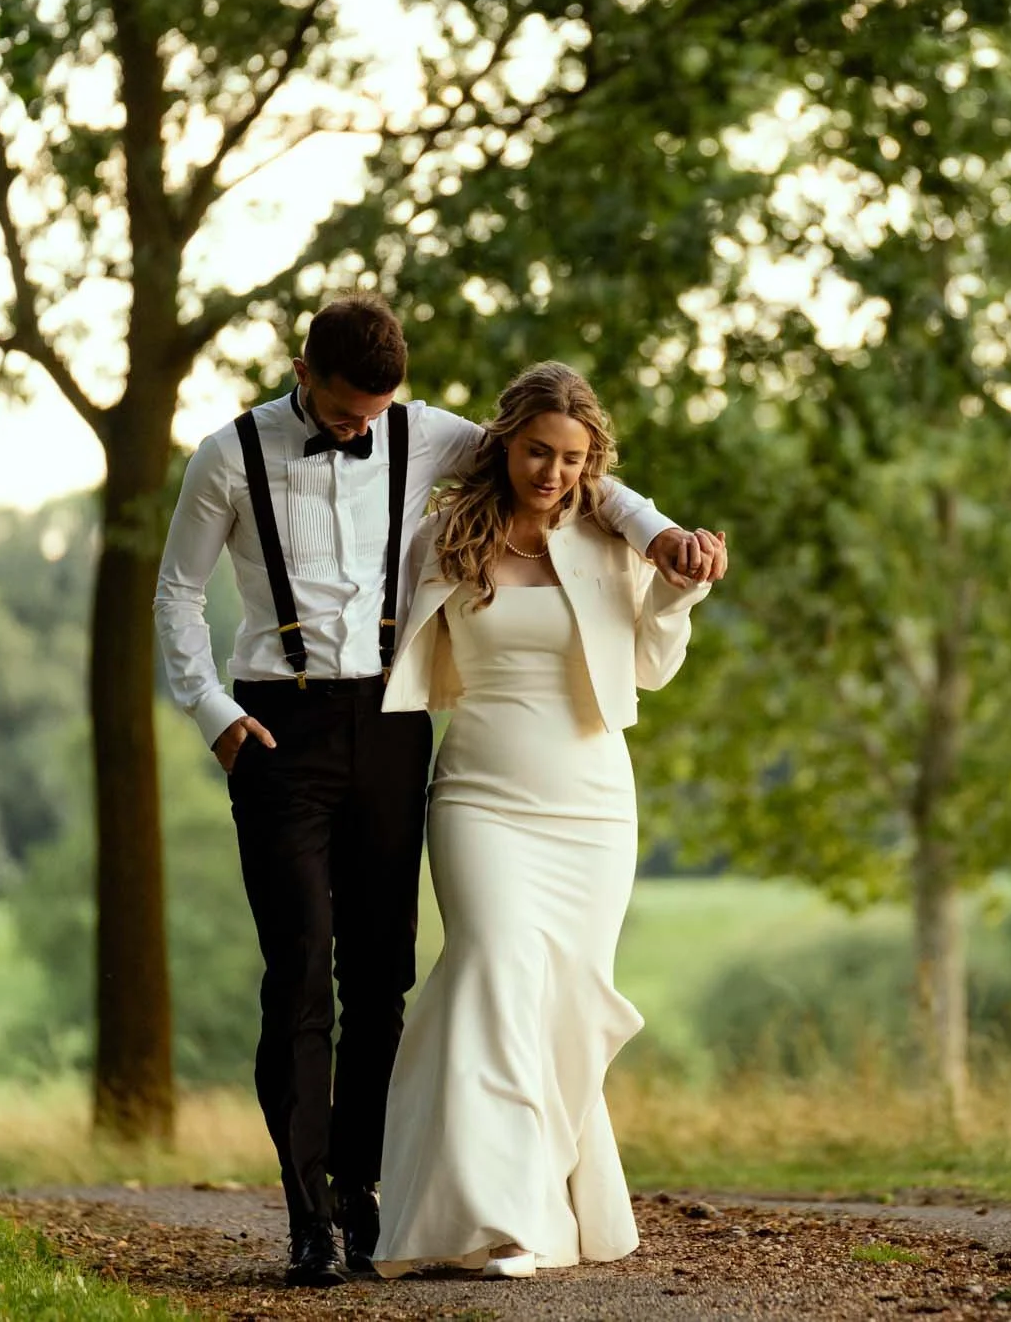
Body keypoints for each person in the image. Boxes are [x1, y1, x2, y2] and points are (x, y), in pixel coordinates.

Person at [152, 294, 726, 1288]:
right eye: (343, 413)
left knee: (382, 982)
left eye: (376, 412)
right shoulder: (225, 455)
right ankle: (305, 1218)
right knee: (298, 973)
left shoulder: (427, 436)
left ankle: (363, 1190)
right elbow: (175, 593)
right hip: (276, 726)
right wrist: (211, 714)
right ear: (304, 370)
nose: (360, 429)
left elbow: (577, 466)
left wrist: (665, 533)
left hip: (391, 726)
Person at [371, 360, 723, 1280]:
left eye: (572, 459)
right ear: (505, 443)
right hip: (480, 796)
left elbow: (650, 664)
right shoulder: (444, 537)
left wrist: (677, 585)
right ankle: (503, 1215)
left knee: (565, 1001)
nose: (553, 473)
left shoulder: (609, 540)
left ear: (589, 462)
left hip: (592, 804)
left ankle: (544, 1200)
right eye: (537, 451)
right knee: (493, 968)